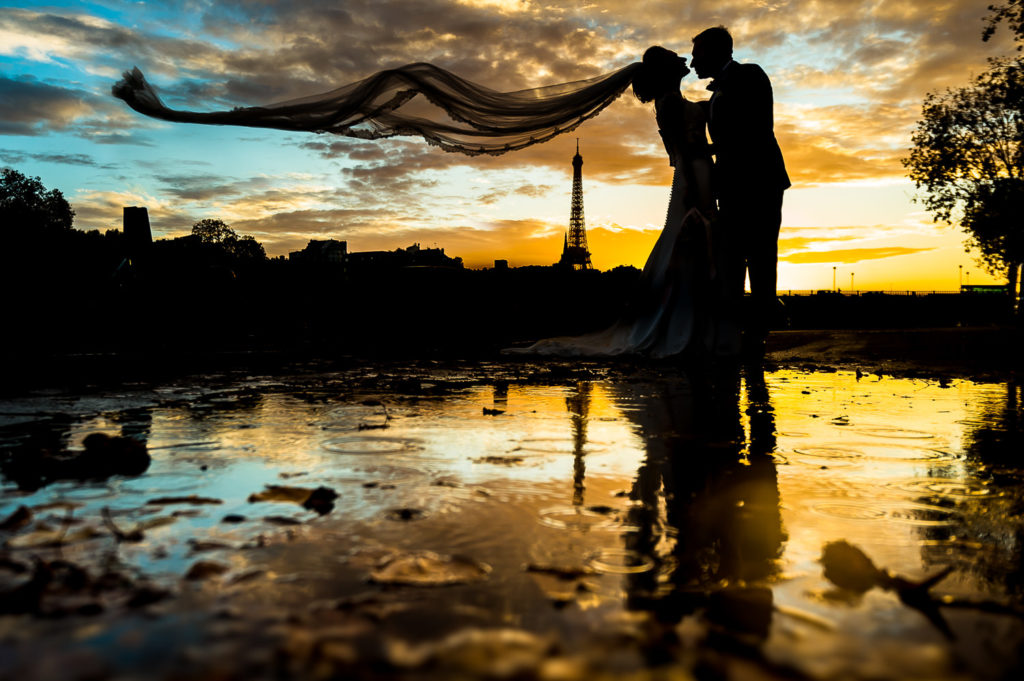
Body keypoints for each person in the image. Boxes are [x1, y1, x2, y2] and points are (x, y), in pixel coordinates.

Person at [504, 46, 725, 358]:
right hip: (692, 177)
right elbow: (684, 151)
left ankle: (683, 323)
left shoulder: (671, 101)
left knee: (687, 244)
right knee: (691, 243)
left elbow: (691, 135)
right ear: (665, 70)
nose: (682, 59)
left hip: (695, 175)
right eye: (675, 57)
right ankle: (688, 326)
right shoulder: (671, 102)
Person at [691, 26, 790, 359]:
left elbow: (753, 131)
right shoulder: (716, 95)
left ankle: (758, 330)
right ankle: (738, 331)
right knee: (732, 255)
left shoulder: (749, 75)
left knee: (759, 253)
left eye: (696, 54)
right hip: (732, 183)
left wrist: (708, 152)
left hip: (759, 179)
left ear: (715, 51)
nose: (692, 63)